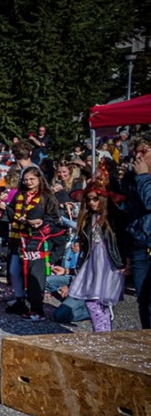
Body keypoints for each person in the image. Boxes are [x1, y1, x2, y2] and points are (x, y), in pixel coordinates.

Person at [69, 184, 126, 332]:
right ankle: (103, 334)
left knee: (98, 301)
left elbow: (124, 240)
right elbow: (86, 239)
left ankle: (102, 334)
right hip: (93, 262)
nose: (92, 202)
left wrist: (127, 261)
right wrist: (80, 245)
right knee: (93, 300)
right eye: (89, 199)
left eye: (96, 199)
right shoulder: (88, 218)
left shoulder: (115, 217)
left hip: (110, 262)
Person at [3, 166, 52, 315]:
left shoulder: (46, 197)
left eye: (32, 179)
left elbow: (53, 218)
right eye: (26, 179)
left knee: (33, 274)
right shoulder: (20, 194)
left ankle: (35, 305)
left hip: (35, 239)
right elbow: (11, 213)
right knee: (14, 270)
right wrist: (6, 208)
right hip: (18, 237)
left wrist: (37, 221)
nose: (29, 182)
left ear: (39, 179)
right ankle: (20, 300)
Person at [125, 141, 151, 329]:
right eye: (136, 152)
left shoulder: (141, 177)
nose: (139, 156)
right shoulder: (132, 177)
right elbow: (130, 214)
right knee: (143, 300)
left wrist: (143, 176)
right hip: (139, 245)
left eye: (145, 151)